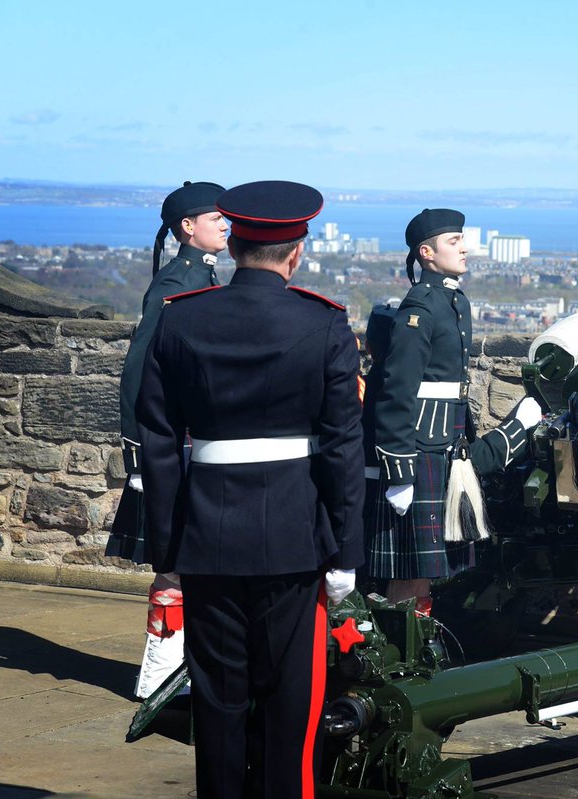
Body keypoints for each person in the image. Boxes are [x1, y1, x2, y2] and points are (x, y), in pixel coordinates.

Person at [136, 180, 364, 798]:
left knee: (217, 700)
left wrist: (168, 548)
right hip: (294, 536)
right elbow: (343, 448)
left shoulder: (182, 317)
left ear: (234, 243)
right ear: (297, 252)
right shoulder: (324, 323)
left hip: (207, 536)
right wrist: (345, 553)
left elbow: (157, 442)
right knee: (290, 705)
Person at [366, 208, 541, 610]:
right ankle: (400, 652)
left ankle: (418, 645)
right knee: (410, 572)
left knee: (425, 572)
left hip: (446, 440)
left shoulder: (451, 301)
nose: (465, 248)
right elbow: (398, 390)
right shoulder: (421, 307)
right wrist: (399, 472)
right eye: (454, 242)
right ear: (426, 253)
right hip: (421, 446)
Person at [107, 179, 228, 699]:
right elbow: (137, 371)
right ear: (187, 227)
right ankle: (157, 674)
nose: (225, 224)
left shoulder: (206, 280)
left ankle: (187, 672)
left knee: (199, 560)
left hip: (200, 439)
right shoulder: (173, 284)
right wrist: (138, 452)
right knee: (175, 564)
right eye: (215, 217)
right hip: (174, 442)